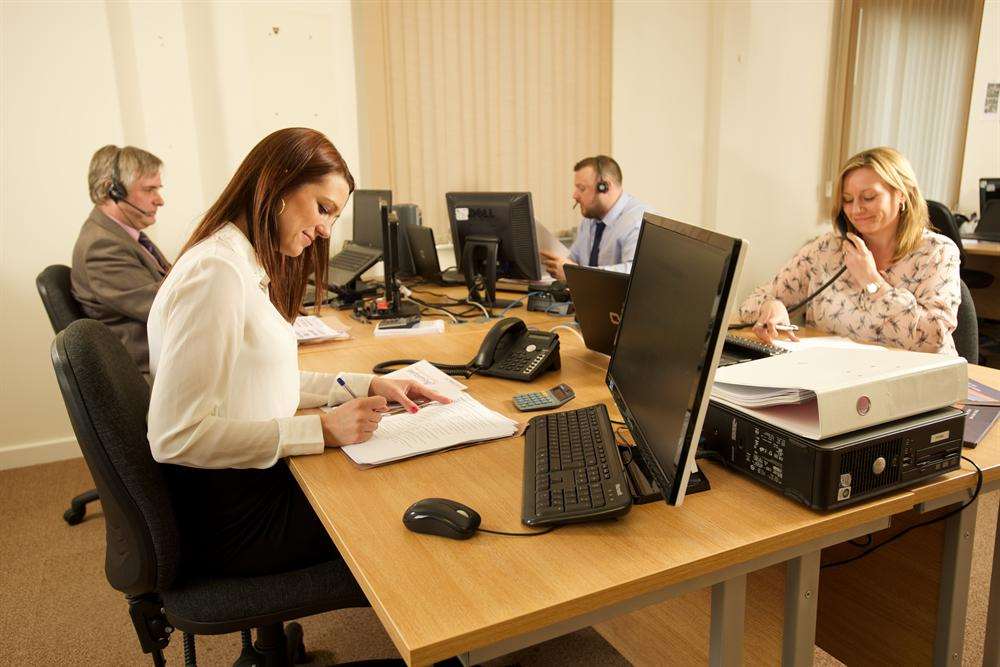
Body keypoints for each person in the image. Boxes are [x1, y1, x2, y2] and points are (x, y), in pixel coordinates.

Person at [146, 128, 450, 577]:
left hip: (250, 482)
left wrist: (370, 385)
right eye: (323, 208)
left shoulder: (240, 261)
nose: (326, 229)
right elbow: (174, 436)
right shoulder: (217, 273)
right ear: (278, 185)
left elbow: (258, 379)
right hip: (235, 516)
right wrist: (323, 432)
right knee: (399, 506)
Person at [739, 146, 961, 355]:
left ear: (902, 194)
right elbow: (751, 303)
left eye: (869, 198)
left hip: (919, 386)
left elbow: (935, 336)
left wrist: (873, 283)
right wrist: (771, 306)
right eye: (847, 200)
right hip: (839, 380)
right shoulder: (827, 249)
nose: (856, 210)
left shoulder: (937, 252)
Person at [71, 145, 169, 377]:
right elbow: (168, 308)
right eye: (149, 190)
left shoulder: (123, 235)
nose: (159, 200)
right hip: (150, 375)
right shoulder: (103, 247)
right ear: (111, 191)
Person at [540, 155, 646, 281]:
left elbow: (634, 274)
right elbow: (573, 260)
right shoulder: (590, 219)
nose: (575, 195)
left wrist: (575, 275)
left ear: (604, 187)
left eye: (582, 188)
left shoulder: (637, 221)